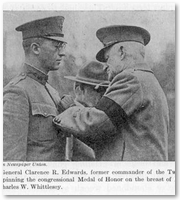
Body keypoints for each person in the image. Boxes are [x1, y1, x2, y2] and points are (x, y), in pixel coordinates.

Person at [54, 25, 169, 161]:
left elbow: (96, 122)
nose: (106, 65)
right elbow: (107, 137)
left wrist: (70, 110)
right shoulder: (147, 80)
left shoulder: (131, 79)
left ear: (121, 52)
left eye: (108, 57)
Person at [3, 16, 69, 161]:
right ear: (35, 48)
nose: (62, 53)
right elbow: (12, 160)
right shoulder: (18, 92)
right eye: (56, 46)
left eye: (61, 46)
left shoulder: (52, 92)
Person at [63, 61, 110, 161]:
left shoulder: (103, 118)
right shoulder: (64, 113)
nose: (104, 95)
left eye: (107, 90)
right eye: (98, 89)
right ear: (79, 90)